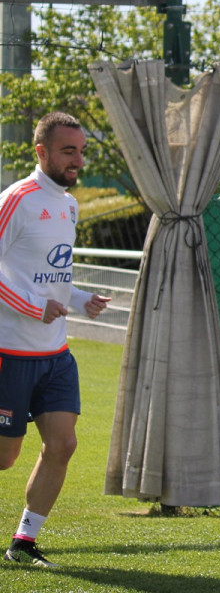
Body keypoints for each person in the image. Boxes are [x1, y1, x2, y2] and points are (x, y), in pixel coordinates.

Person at [1, 111, 111, 568]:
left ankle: (23, 543)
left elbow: (53, 275)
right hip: (10, 353)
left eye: (82, 152)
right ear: (41, 151)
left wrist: (82, 299)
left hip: (56, 354)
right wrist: (31, 307)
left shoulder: (68, 204)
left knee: (63, 445)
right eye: (69, 151)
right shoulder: (16, 199)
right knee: (5, 459)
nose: (78, 160)